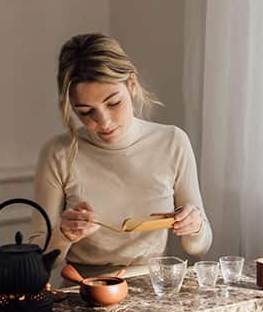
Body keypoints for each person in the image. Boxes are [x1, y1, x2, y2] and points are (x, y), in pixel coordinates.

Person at [28, 33, 212, 282]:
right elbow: (36, 260)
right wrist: (64, 234)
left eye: (113, 103)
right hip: (83, 290)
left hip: (153, 287)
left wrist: (194, 225)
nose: (103, 122)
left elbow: (198, 247)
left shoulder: (172, 142)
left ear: (132, 85)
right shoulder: (57, 152)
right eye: (85, 112)